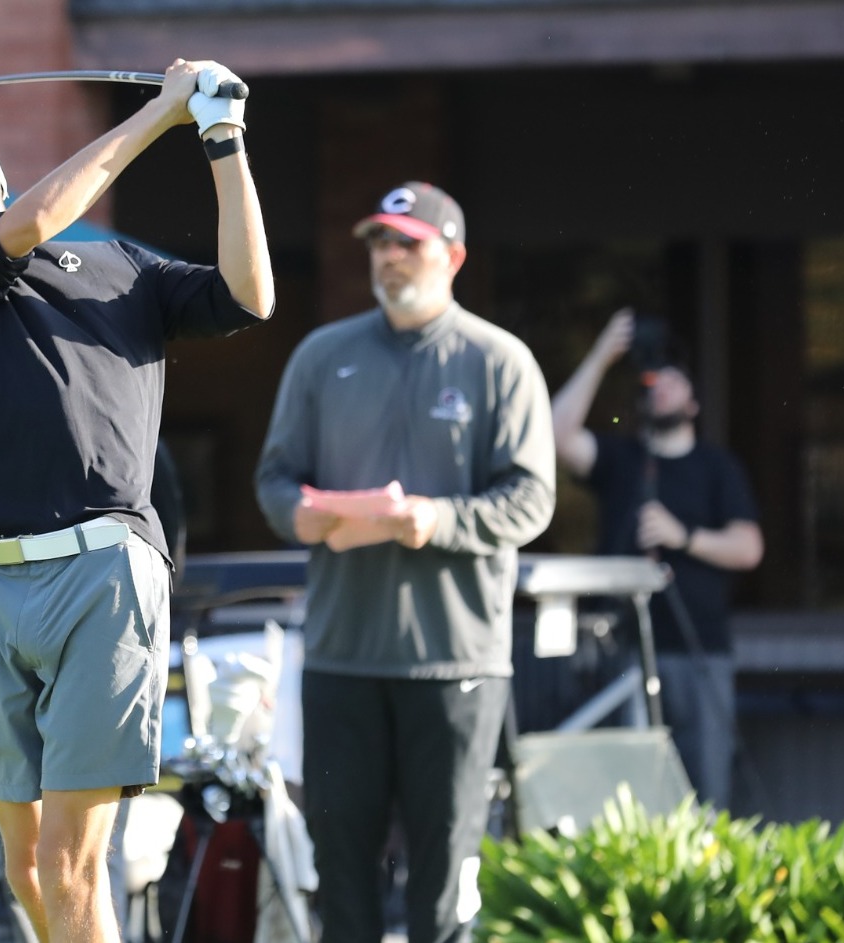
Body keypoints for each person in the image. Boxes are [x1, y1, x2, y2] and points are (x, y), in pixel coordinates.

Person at [0, 58, 273, 943]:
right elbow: (33, 220)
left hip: (105, 569)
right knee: (27, 858)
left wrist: (222, 140)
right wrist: (161, 113)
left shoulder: (122, 267)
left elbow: (249, 295)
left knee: (71, 861)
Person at [255, 182, 555, 943]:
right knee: (341, 875)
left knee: (443, 879)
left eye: (407, 243)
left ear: (451, 256)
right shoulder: (323, 355)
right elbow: (273, 478)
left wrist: (437, 519)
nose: (388, 257)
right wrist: (301, 513)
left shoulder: (499, 361)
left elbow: (531, 499)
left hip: (454, 661)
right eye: (378, 244)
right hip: (340, 658)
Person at [550, 308, 763, 808]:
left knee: (704, 787)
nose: (661, 388)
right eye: (653, 381)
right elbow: (556, 435)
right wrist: (602, 355)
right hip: (621, 652)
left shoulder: (716, 467)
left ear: (694, 401)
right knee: (627, 794)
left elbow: (749, 547)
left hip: (698, 654)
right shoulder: (621, 460)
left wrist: (684, 537)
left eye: (673, 380)